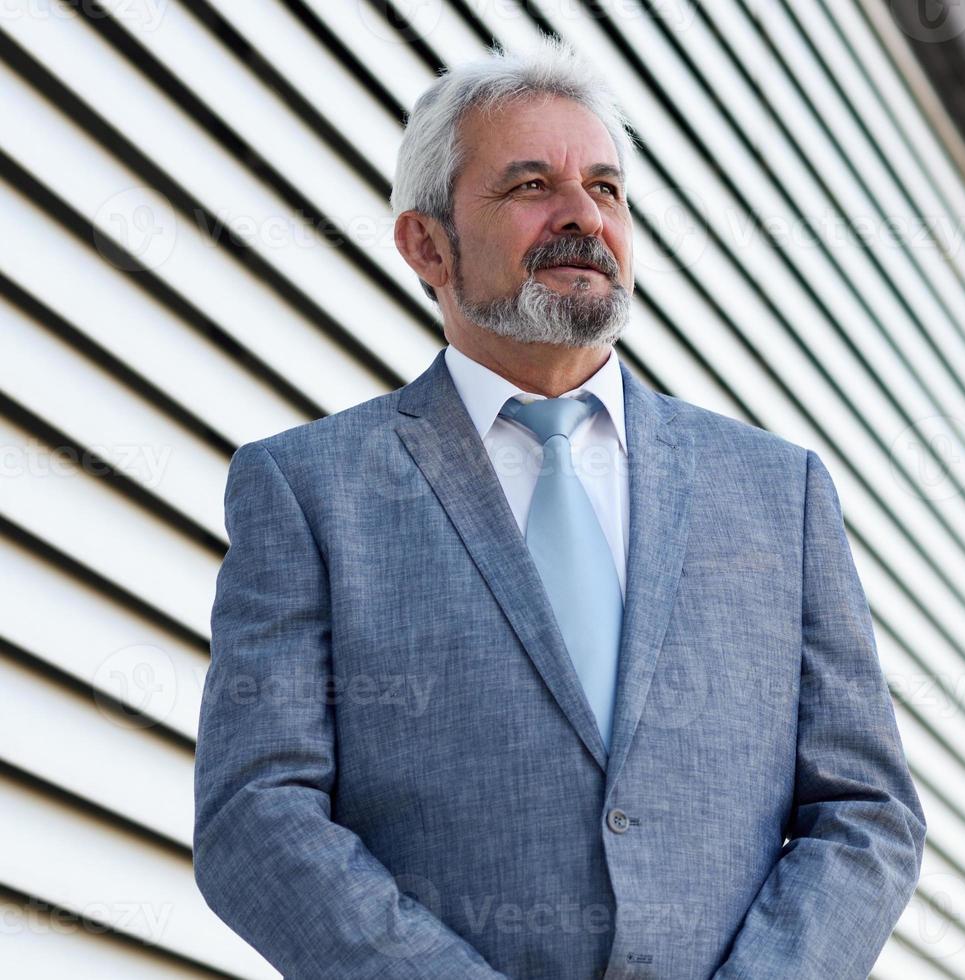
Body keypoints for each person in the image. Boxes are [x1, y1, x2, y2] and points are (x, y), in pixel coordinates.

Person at [193, 33, 924, 979]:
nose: (582, 216)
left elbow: (865, 811)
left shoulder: (776, 492)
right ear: (426, 243)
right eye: (530, 185)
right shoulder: (309, 490)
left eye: (607, 189)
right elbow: (256, 816)